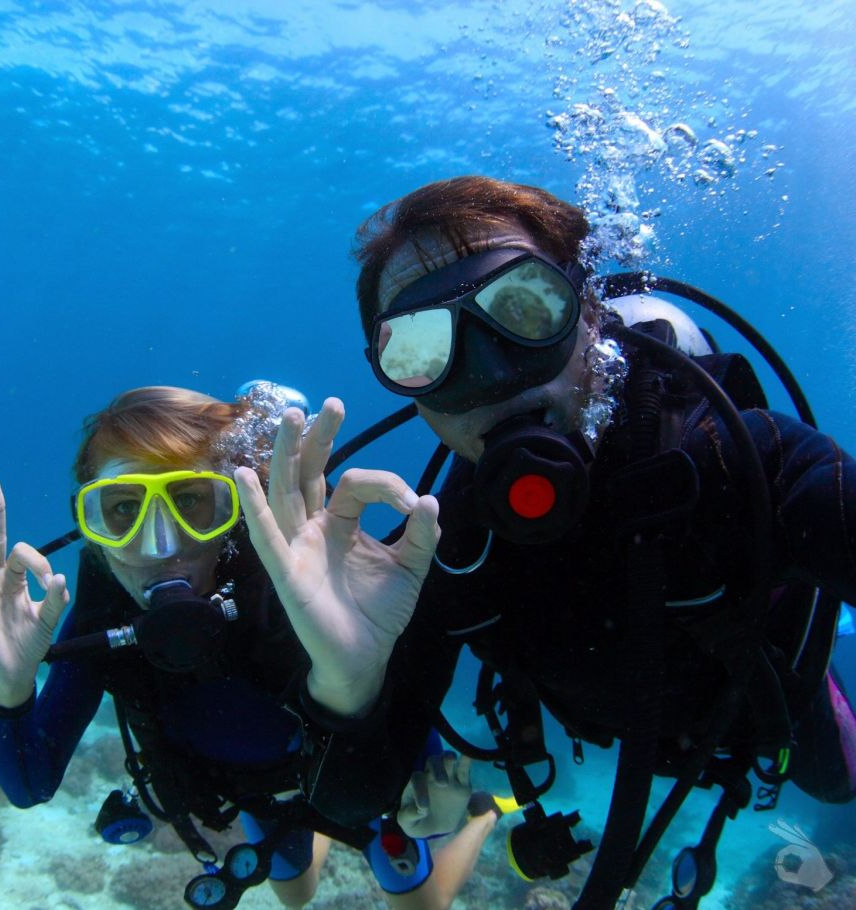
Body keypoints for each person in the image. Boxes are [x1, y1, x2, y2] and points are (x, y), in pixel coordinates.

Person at [233, 177, 856, 910]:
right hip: (627, 723)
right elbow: (353, 799)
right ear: (407, 389)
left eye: (524, 311)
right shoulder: (439, 548)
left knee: (839, 781)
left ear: (587, 313)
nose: (492, 375)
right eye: (424, 349)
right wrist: (347, 683)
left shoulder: (736, 460)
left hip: (766, 710)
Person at [0, 385, 502, 910]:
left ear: (231, 508)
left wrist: (427, 786)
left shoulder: (296, 581)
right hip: (256, 794)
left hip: (353, 768)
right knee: (295, 896)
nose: (160, 546)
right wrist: (9, 686)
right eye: (123, 509)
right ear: (92, 526)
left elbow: (387, 689)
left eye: (190, 501)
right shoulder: (103, 610)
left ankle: (484, 818)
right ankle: (315, 830)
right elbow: (29, 783)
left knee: (421, 905)